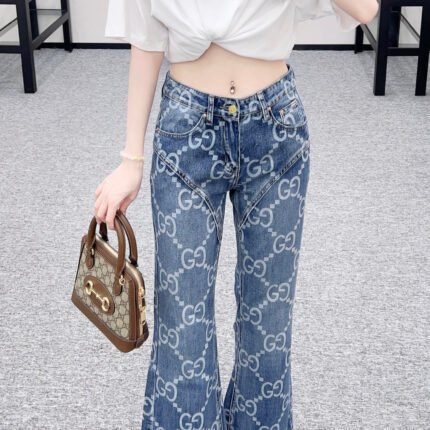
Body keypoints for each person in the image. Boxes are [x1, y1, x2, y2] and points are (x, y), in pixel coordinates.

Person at [96, 1, 379, 428]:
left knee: (268, 327)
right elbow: (146, 38)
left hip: (276, 128)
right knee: (182, 328)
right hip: (187, 130)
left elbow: (365, 9)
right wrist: (131, 159)